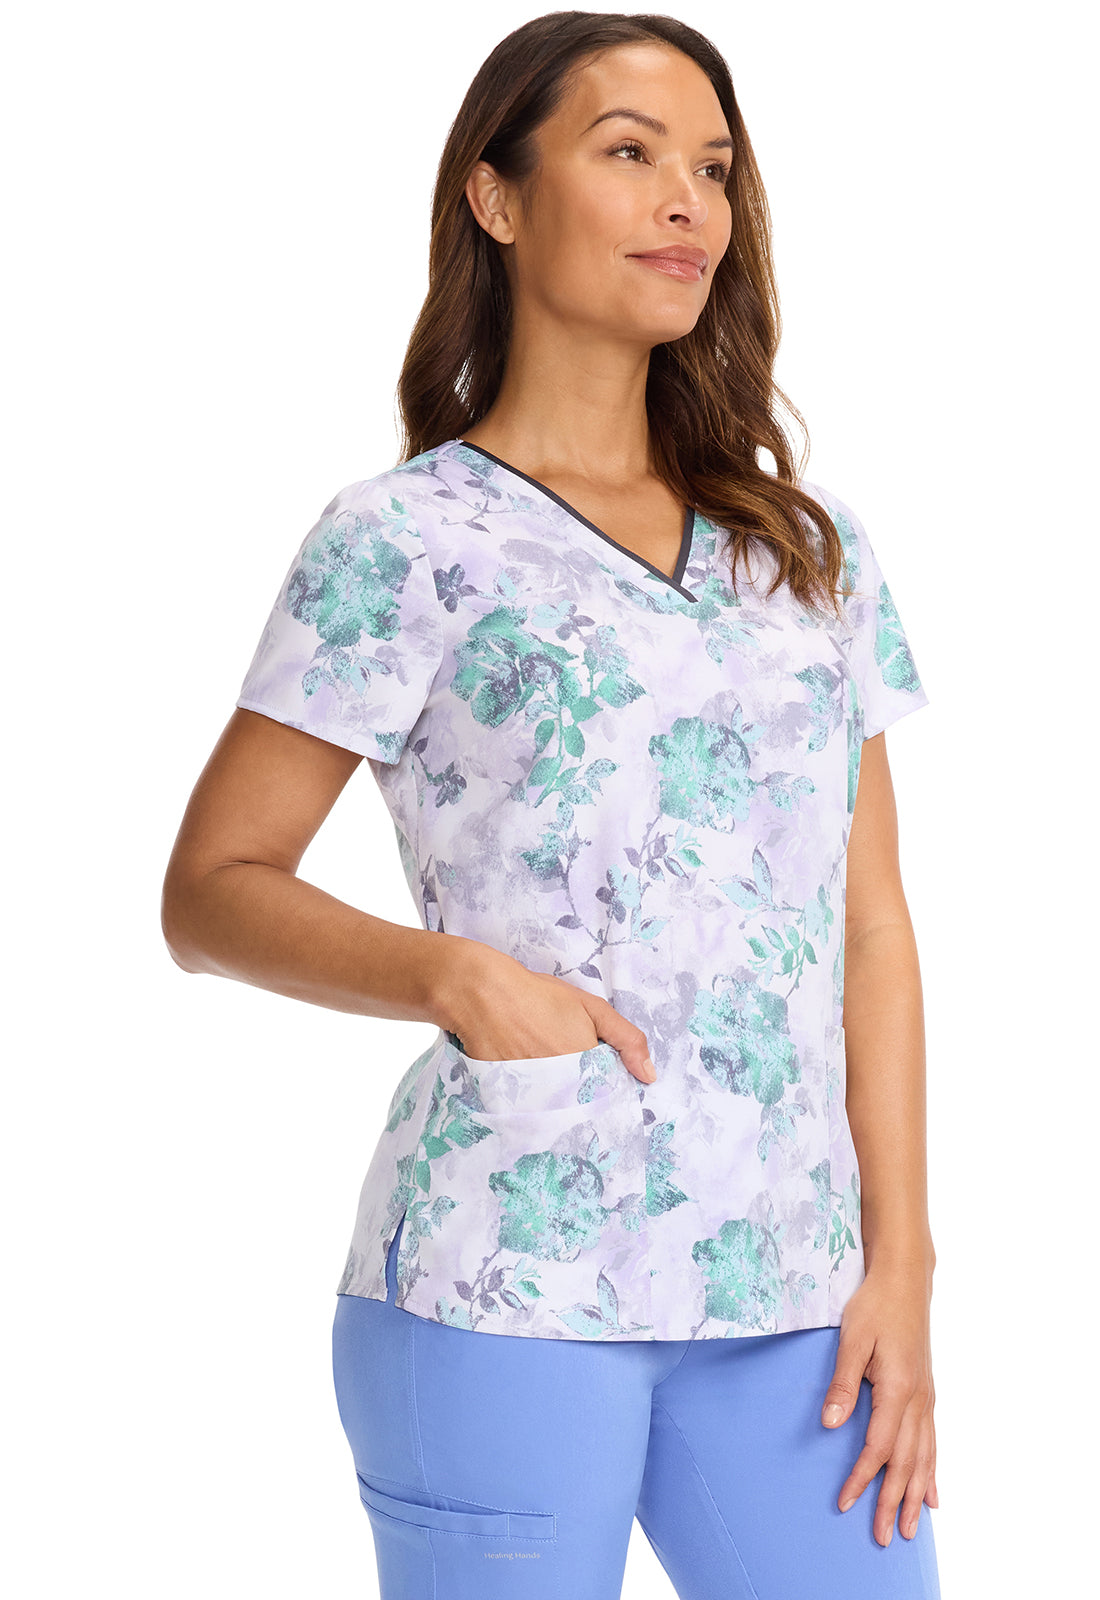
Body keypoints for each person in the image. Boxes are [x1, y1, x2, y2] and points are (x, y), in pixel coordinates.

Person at [161, 12, 941, 1599]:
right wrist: (453, 976)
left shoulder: (806, 548)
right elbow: (213, 888)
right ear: (497, 197)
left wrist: (905, 1262)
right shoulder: (405, 538)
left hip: (792, 1298)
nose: (687, 201)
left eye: (712, 166)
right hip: (504, 1281)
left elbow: (869, 925)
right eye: (629, 152)